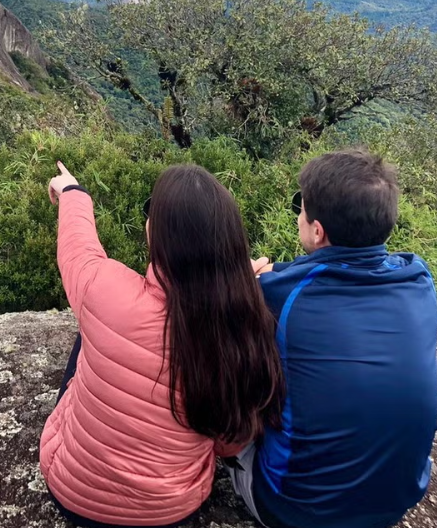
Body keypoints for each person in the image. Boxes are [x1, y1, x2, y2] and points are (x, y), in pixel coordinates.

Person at [40, 161, 285, 528]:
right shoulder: (242, 327)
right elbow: (229, 443)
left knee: (91, 331)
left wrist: (74, 194)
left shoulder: (105, 290)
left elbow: (79, 251)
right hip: (170, 513)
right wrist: (236, 287)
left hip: (73, 494)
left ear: (156, 231)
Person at [228, 148, 437, 528]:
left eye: (302, 208)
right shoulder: (417, 279)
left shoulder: (277, 297)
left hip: (295, 510)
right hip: (395, 503)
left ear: (317, 230)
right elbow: (331, 274)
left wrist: (252, 280)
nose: (298, 215)